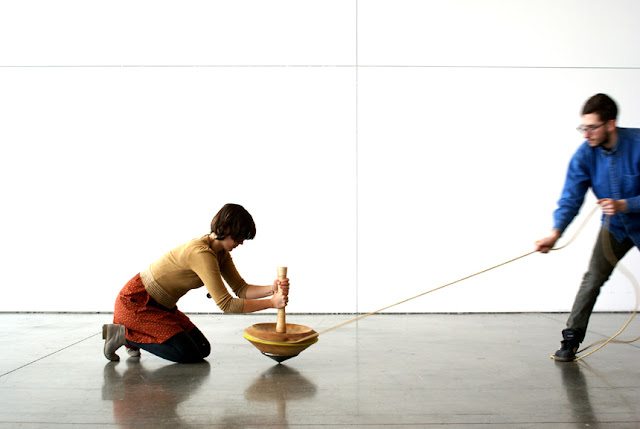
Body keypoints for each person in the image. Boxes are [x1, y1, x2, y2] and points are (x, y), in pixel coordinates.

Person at [102, 203, 290, 363]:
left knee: (202, 348)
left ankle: (133, 337)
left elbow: (241, 289)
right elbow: (226, 304)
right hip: (136, 303)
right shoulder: (201, 254)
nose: (240, 243)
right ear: (225, 229)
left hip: (162, 307)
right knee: (186, 353)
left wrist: (272, 289)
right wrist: (271, 303)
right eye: (239, 237)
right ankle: (124, 335)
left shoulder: (221, 253)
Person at [535, 93, 640, 361]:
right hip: (615, 228)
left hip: (633, 218)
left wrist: (625, 204)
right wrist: (555, 234)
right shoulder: (584, 155)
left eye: (592, 127)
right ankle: (570, 339)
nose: (586, 134)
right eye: (583, 127)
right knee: (593, 278)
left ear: (610, 124)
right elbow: (570, 198)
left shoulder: (638, 144)